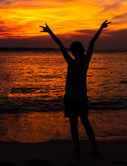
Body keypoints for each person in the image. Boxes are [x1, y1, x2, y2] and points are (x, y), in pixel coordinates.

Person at [40, 20, 111, 155]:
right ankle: (93, 148)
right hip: (81, 98)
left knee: (75, 125)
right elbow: (92, 42)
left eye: (72, 50)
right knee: (85, 123)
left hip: (72, 99)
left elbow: (60, 45)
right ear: (82, 50)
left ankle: (79, 149)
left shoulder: (72, 62)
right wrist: (101, 28)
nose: (72, 52)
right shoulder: (86, 61)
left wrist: (49, 32)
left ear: (73, 52)